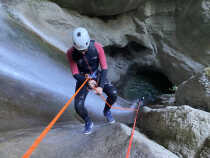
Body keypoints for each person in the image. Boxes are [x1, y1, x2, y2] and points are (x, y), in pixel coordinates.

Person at [66, 27, 117, 134]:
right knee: (78, 106)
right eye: (80, 51)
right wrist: (87, 81)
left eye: (85, 50)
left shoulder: (97, 47)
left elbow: (104, 68)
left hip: (97, 74)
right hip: (83, 78)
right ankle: (88, 122)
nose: (83, 53)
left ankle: (106, 111)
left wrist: (100, 86)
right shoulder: (70, 53)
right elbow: (75, 73)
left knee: (113, 94)